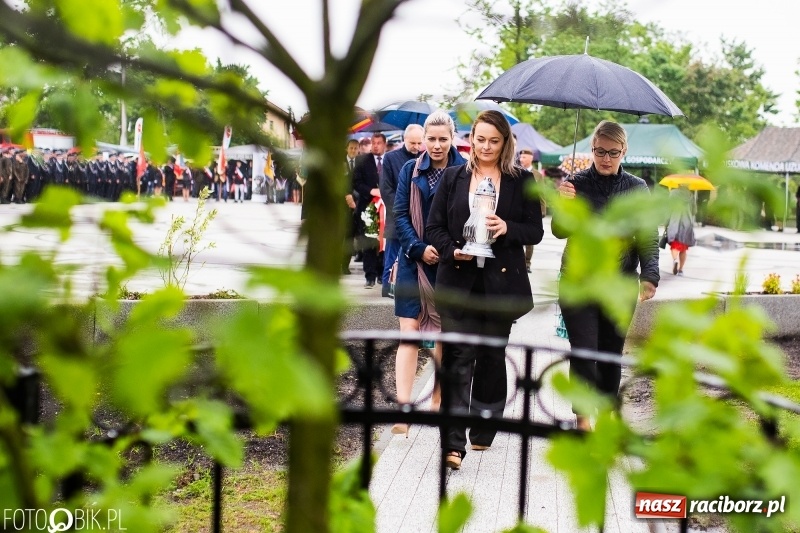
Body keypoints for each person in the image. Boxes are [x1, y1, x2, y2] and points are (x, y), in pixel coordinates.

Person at [426, 110, 544, 470]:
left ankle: (483, 427)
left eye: (495, 140)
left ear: (506, 142)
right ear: (471, 139)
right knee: (459, 359)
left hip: (500, 284)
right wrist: (452, 249)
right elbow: (434, 229)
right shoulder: (451, 178)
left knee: (492, 357)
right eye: (481, 139)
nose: (487, 147)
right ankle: (452, 445)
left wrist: (507, 226)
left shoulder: (522, 180)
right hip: (458, 282)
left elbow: (535, 232)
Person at [554, 120, 659, 431]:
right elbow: (560, 231)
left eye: (613, 152)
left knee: (611, 353)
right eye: (600, 151)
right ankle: (583, 420)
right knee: (584, 351)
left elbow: (648, 236)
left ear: (624, 151)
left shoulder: (637, 188)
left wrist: (650, 274)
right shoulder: (575, 184)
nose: (606, 158)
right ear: (592, 148)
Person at [391, 111, 464, 437]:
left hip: (449, 265)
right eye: (431, 139)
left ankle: (436, 401)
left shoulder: (464, 171)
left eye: (442, 139)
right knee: (409, 334)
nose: (436, 145)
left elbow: (467, 217)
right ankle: (404, 409)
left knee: (443, 337)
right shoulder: (410, 169)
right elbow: (400, 214)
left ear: (452, 138)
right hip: (412, 261)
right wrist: (418, 248)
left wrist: (444, 249)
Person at [380, 124, 424, 297]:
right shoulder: (391, 158)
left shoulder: (425, 157)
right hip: (397, 216)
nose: (416, 146)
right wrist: (402, 211)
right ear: (404, 140)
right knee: (392, 256)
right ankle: (387, 287)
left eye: (419, 143)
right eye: (412, 142)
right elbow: (386, 189)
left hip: (418, 217)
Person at [353, 132, 387, 289]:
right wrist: (371, 191)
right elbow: (356, 183)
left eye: (379, 143)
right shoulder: (362, 161)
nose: (375, 145)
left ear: (384, 144)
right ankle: (370, 276)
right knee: (369, 241)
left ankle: (382, 274)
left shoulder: (390, 160)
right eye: (373, 142)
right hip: (368, 207)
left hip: (386, 208)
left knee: (383, 241)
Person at [518, 147, 547, 273]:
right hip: (518, 208)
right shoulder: (516, 171)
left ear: (530, 158)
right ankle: (519, 261)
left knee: (530, 240)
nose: (521, 159)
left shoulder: (537, 175)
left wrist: (542, 210)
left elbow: (541, 193)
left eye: (524, 157)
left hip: (531, 210)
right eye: (520, 157)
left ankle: (527, 262)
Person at [666, 184, 696, 276]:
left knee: (674, 245)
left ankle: (675, 260)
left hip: (675, 221)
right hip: (687, 223)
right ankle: (681, 270)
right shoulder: (691, 195)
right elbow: (694, 211)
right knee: (683, 248)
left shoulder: (673, 193)